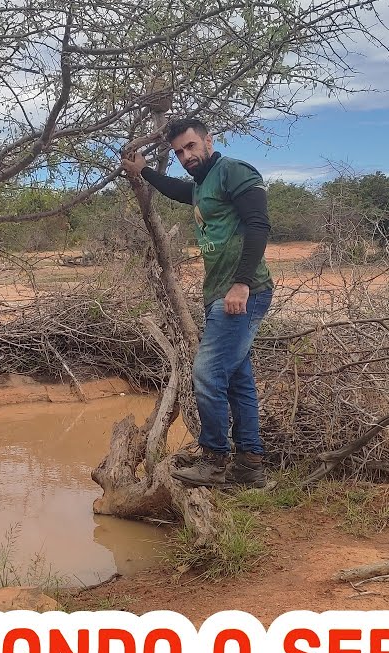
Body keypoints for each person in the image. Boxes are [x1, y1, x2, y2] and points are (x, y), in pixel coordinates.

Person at [122, 118, 273, 488]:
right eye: (178, 153)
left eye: (190, 147)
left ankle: (215, 461)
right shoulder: (203, 184)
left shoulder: (232, 171)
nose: (185, 156)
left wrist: (240, 285)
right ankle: (250, 469)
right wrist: (144, 172)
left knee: (206, 373)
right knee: (238, 380)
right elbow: (179, 190)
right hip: (220, 293)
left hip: (240, 293)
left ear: (208, 140)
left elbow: (258, 224)